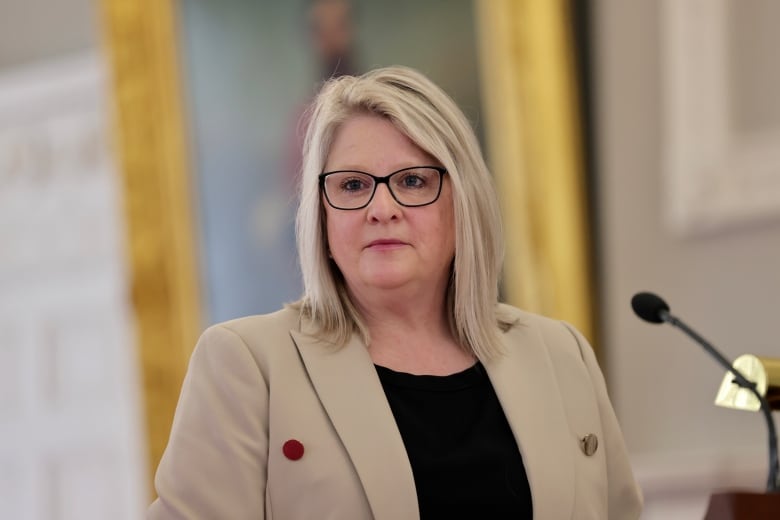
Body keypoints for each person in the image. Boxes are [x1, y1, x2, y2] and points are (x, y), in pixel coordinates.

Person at [148, 66, 643, 519]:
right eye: (352, 186)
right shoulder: (247, 364)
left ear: (463, 202)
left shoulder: (561, 355)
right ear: (320, 214)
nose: (381, 208)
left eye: (411, 180)